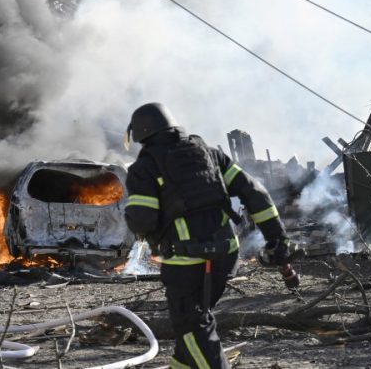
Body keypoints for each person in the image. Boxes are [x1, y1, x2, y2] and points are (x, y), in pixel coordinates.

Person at [124, 103, 294, 369]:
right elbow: (255, 193)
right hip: (225, 256)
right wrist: (277, 239)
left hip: (186, 263)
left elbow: (142, 220)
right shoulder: (209, 153)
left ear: (141, 134)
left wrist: (133, 217)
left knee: (192, 327)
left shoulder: (144, 168)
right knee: (194, 326)